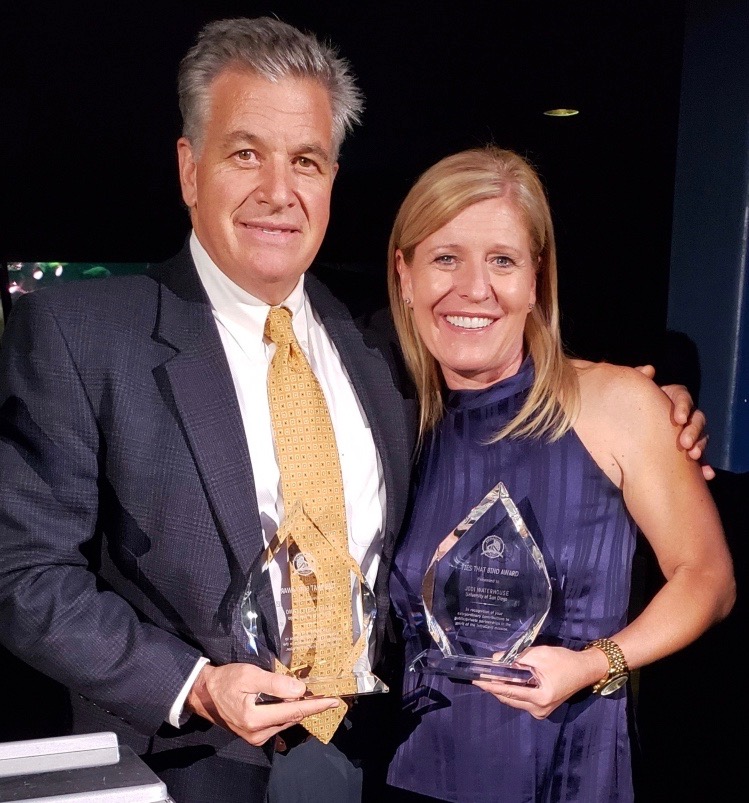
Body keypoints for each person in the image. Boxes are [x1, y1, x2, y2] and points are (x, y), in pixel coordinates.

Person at [0, 17, 708, 803]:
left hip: (381, 761)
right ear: (189, 168)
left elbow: (520, 386)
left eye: (304, 160)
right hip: (185, 763)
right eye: (245, 153)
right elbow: (22, 572)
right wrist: (194, 684)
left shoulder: (380, 350)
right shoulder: (82, 333)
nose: (278, 191)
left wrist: (653, 411)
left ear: (331, 176)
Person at [384, 146, 735, 802]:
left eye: (501, 260)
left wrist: (593, 663)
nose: (473, 287)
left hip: (566, 775)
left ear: (536, 279)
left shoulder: (614, 402)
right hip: (407, 773)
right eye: (444, 257)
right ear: (403, 275)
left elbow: (708, 579)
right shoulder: (391, 418)